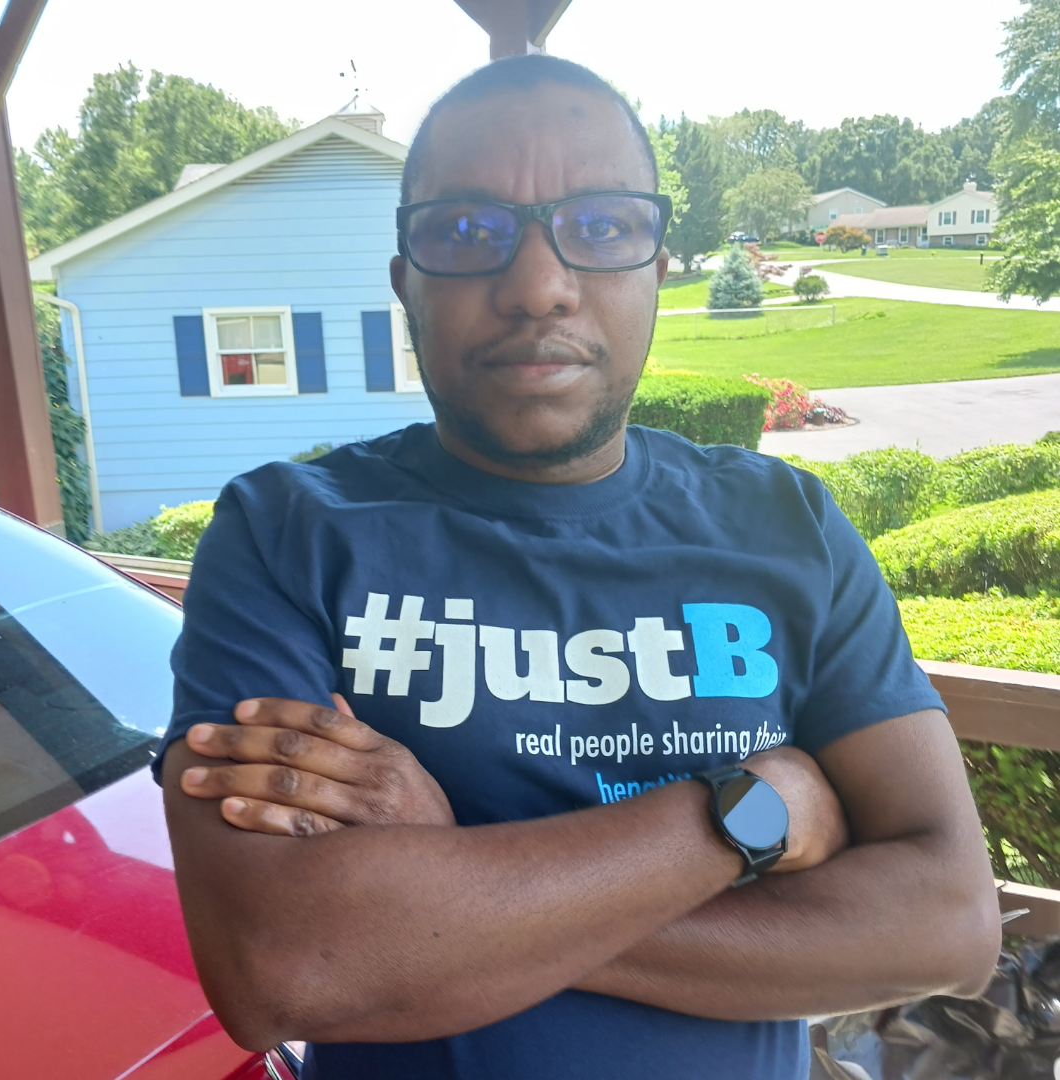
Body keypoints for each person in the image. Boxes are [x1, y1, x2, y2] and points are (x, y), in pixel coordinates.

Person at [158, 55, 1001, 1080]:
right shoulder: (286, 534)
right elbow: (287, 969)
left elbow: (948, 925)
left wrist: (449, 881)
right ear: (404, 283)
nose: (537, 286)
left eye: (601, 226)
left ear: (658, 265)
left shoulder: (788, 524)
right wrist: (745, 815)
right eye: (467, 233)